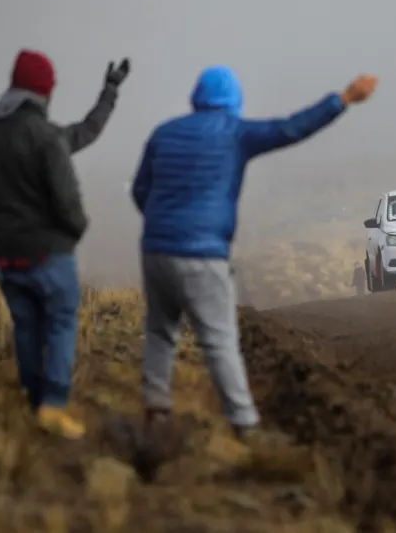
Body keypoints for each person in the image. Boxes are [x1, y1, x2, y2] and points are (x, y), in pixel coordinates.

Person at [130, 66, 377, 447]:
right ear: (233, 101)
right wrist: (343, 99)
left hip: (156, 250)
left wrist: (165, 224)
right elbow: (292, 128)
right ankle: (245, 426)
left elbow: (140, 190)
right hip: (203, 253)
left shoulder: (164, 133)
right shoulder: (235, 133)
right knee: (219, 339)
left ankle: (156, 412)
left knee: (161, 332)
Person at [0, 49, 129, 439]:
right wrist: (73, 231)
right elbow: (69, 198)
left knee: (26, 326)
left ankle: (32, 400)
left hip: (7, 255)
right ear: (43, 92)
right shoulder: (48, 138)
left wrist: (2, 232)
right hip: (48, 253)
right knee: (61, 322)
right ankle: (52, 405)